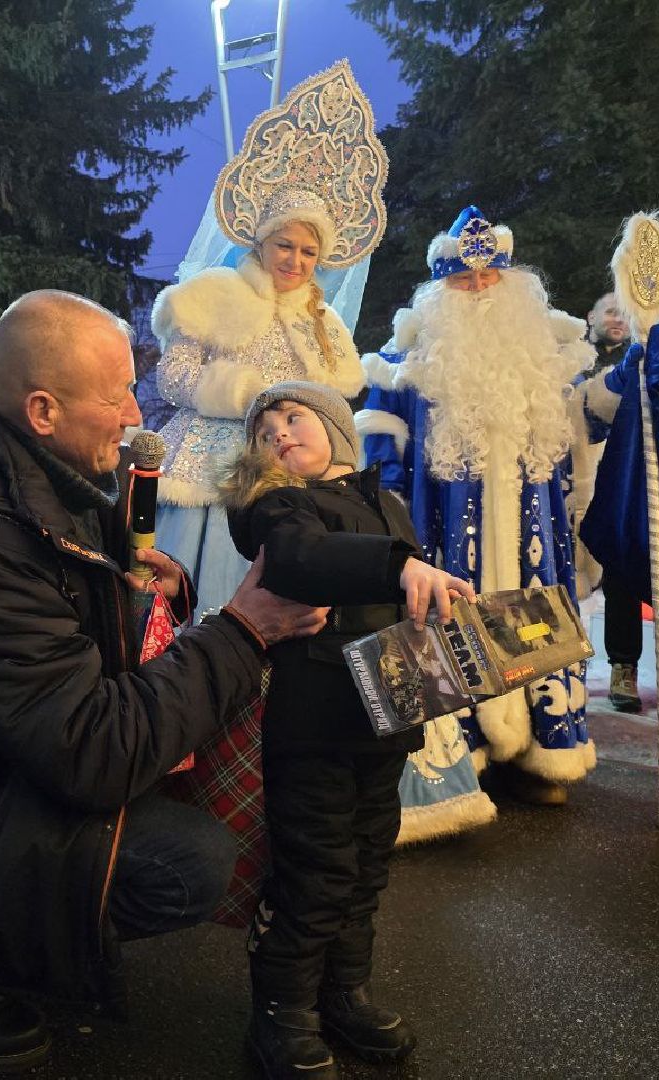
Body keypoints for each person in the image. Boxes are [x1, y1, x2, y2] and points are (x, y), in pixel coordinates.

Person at [0, 291, 329, 1073]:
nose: (136, 414)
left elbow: (71, 646)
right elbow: (95, 747)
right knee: (187, 862)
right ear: (42, 409)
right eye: (118, 395)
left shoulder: (24, 479)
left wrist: (140, 595)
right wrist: (242, 633)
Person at [220, 381, 472, 1080]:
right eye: (264, 428)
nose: (278, 432)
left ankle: (344, 992)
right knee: (315, 869)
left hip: (384, 722)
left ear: (335, 426)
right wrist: (399, 565)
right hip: (314, 724)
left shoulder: (385, 502)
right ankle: (283, 1012)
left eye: (293, 417)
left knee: (365, 862)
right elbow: (302, 562)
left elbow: (406, 608)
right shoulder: (279, 507)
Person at [358, 206, 597, 824]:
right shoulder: (402, 363)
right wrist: (393, 524)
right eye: (462, 280)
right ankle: (464, 757)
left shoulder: (547, 356)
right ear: (439, 289)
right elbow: (380, 451)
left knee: (537, 616)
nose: (477, 290)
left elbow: (581, 434)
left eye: (489, 277)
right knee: (446, 621)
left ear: (512, 281)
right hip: (440, 530)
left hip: (533, 534)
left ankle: (545, 748)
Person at [150, 62, 387, 611]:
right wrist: (241, 394)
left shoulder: (322, 320)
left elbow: (335, 396)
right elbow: (173, 376)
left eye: (309, 252)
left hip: (287, 478)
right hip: (208, 470)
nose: (296, 261)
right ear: (260, 242)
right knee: (200, 598)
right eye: (285, 246)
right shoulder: (215, 294)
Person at [568, 293, 644, 712]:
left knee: (621, 578)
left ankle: (623, 668)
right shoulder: (566, 359)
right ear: (590, 315)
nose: (619, 319)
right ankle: (558, 662)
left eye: (627, 314)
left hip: (616, 484)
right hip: (568, 483)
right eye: (612, 311)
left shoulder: (641, 364)